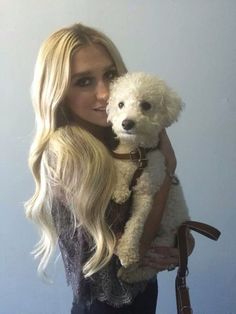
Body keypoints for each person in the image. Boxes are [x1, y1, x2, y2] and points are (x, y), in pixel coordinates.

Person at [25, 23, 194, 314]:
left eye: (110, 75)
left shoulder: (126, 137)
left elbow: (162, 218)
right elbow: (132, 254)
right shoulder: (67, 153)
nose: (104, 93)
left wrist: (179, 244)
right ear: (58, 92)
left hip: (142, 299)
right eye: (84, 82)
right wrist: (166, 167)